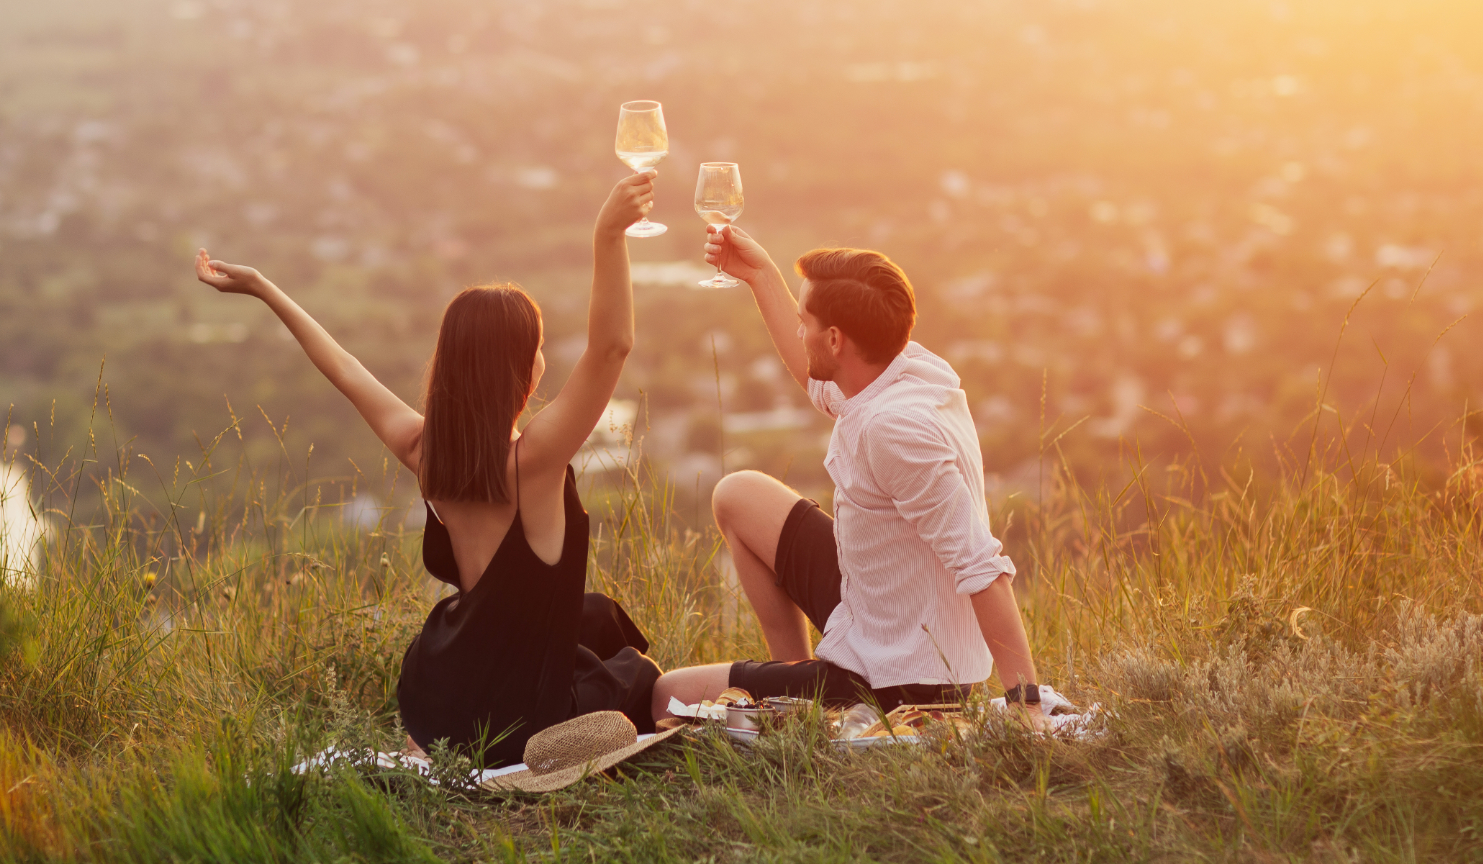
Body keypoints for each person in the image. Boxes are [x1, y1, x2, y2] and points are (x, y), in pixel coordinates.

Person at [196, 170, 662, 767]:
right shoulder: (534, 462)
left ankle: (440, 745)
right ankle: (540, 745)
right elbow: (612, 347)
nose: (546, 359)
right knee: (640, 677)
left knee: (593, 619)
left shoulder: (424, 450)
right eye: (538, 347)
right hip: (519, 705)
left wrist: (265, 288)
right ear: (520, 369)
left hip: (448, 683)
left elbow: (343, 369)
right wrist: (608, 236)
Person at [652, 226, 1067, 721]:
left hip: (902, 677)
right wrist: (760, 274)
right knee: (739, 495)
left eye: (807, 322)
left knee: (667, 695)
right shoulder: (901, 369)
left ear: (834, 339)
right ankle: (793, 679)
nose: (801, 330)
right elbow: (815, 377)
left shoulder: (893, 430)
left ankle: (801, 705)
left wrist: (1026, 706)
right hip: (881, 609)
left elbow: (982, 567)